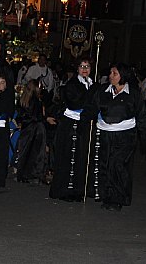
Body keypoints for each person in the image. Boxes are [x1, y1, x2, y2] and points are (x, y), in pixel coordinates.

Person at [81, 63, 146, 211]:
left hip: (125, 135)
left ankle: (119, 197)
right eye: (111, 73)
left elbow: (141, 115)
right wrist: (84, 119)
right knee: (105, 164)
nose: (111, 76)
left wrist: (145, 136)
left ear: (123, 75)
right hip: (105, 134)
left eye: (114, 73)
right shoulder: (103, 91)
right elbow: (92, 108)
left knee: (117, 164)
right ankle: (107, 195)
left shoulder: (133, 94)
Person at [49, 57, 95, 201]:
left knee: (82, 157)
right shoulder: (72, 84)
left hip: (84, 125)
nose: (85, 69)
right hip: (71, 125)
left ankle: (78, 190)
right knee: (69, 156)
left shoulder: (93, 85)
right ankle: (65, 190)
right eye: (82, 66)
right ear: (77, 69)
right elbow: (75, 103)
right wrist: (89, 103)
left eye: (87, 66)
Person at [13, 79, 47, 184]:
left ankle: (24, 174)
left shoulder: (24, 100)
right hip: (36, 128)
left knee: (25, 151)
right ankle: (34, 175)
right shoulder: (36, 101)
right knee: (37, 153)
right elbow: (37, 116)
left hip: (27, 128)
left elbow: (21, 115)